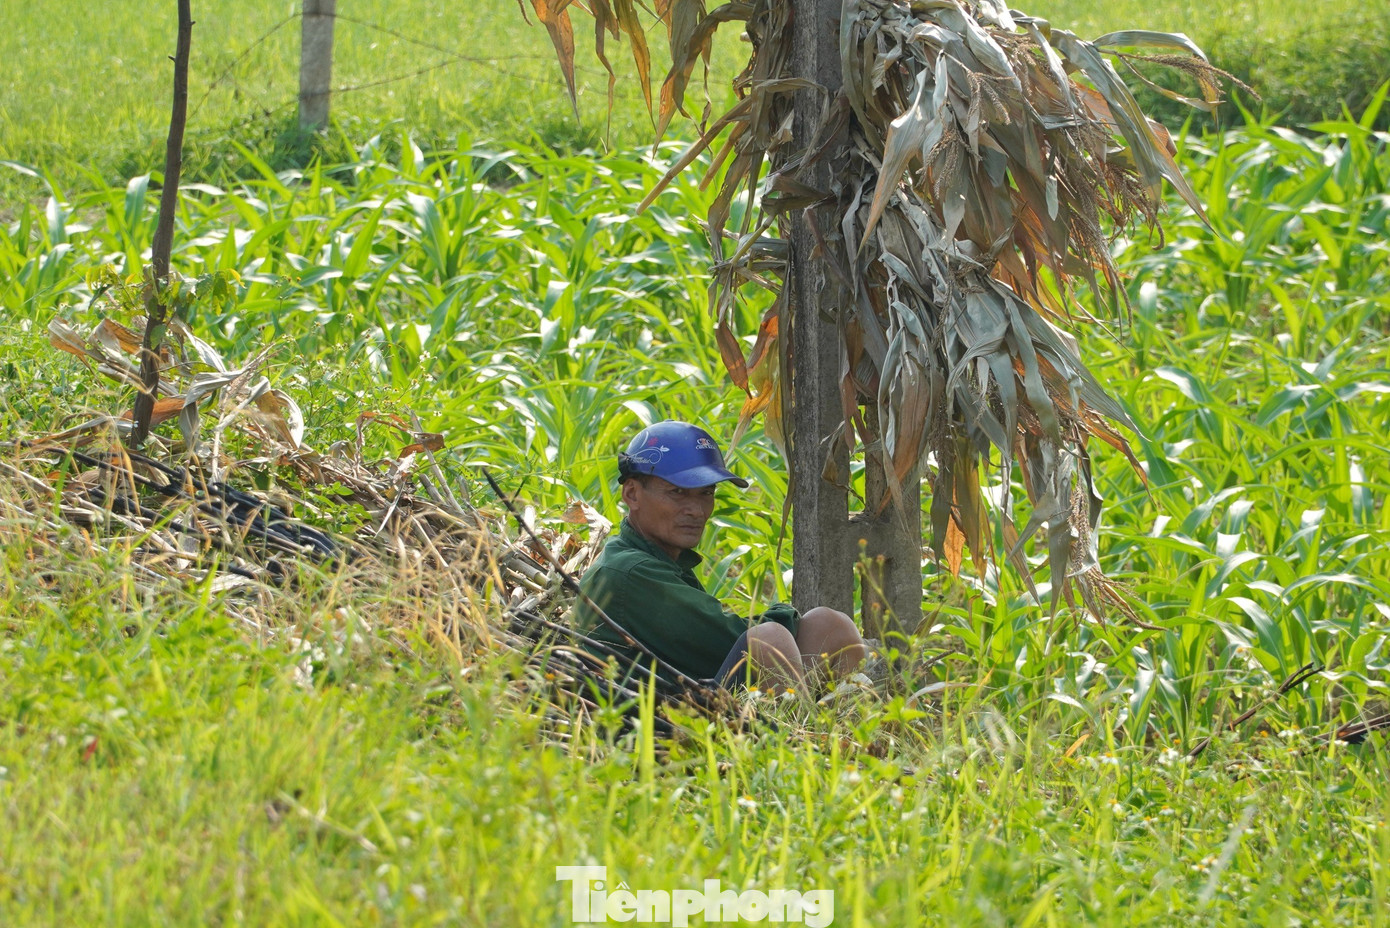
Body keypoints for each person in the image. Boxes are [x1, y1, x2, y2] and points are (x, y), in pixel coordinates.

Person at [575, 419, 866, 692]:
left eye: (706, 493)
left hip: (690, 701)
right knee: (770, 639)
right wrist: (785, 617)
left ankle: (837, 732)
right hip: (657, 727)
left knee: (829, 625)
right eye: (677, 492)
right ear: (632, 495)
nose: (697, 510)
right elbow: (727, 640)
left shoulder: (660, 558)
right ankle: (802, 740)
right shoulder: (628, 571)